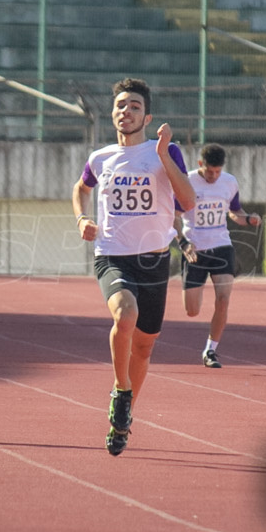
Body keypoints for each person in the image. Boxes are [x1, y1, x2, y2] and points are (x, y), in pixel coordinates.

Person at [72, 78, 195, 456]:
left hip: (155, 259)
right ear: (113, 114)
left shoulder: (166, 152)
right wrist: (81, 220)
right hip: (112, 254)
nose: (127, 111)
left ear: (148, 115)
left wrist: (161, 154)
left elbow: (187, 202)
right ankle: (120, 390)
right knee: (125, 315)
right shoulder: (101, 158)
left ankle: (122, 422)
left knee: (143, 348)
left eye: (135, 106)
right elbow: (80, 189)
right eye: (121, 105)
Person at [174, 143, 262, 368]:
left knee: (223, 300)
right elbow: (173, 217)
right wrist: (184, 243)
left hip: (222, 246)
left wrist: (249, 218)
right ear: (200, 164)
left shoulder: (229, 182)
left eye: (218, 172)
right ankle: (195, 287)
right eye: (210, 171)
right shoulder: (187, 182)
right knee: (192, 311)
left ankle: (210, 351)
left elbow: (235, 212)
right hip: (194, 249)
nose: (214, 176)